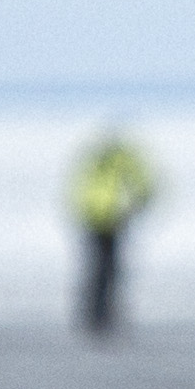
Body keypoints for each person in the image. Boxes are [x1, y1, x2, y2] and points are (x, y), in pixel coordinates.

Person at [65, 125, 161, 338]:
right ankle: (97, 316)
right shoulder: (110, 161)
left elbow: (143, 184)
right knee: (103, 269)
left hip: (107, 219)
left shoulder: (102, 161)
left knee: (104, 269)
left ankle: (100, 316)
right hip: (99, 219)